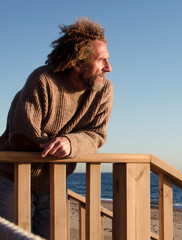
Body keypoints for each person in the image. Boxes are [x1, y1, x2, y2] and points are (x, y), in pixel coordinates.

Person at [0, 17, 113, 239]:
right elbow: (21, 135)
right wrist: (56, 144)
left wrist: (70, 143)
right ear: (77, 63)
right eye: (101, 61)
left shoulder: (104, 89)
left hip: (55, 183)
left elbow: (97, 135)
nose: (108, 68)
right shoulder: (42, 79)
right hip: (12, 180)